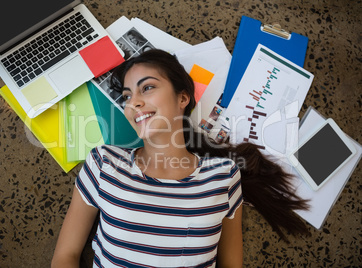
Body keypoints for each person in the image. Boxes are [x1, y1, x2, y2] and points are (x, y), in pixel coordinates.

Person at [52, 49, 309, 268]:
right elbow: (66, 256)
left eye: (148, 88)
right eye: (128, 96)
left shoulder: (224, 175)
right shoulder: (103, 163)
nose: (134, 104)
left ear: (183, 98)